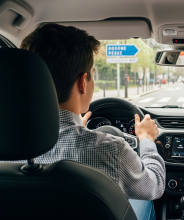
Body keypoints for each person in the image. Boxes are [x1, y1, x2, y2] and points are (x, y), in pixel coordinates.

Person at [19, 23, 165, 220]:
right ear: (82, 82)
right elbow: (154, 186)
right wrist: (146, 140)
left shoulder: (9, 150)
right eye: (93, 75)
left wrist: (77, 127)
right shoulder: (111, 149)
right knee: (142, 198)